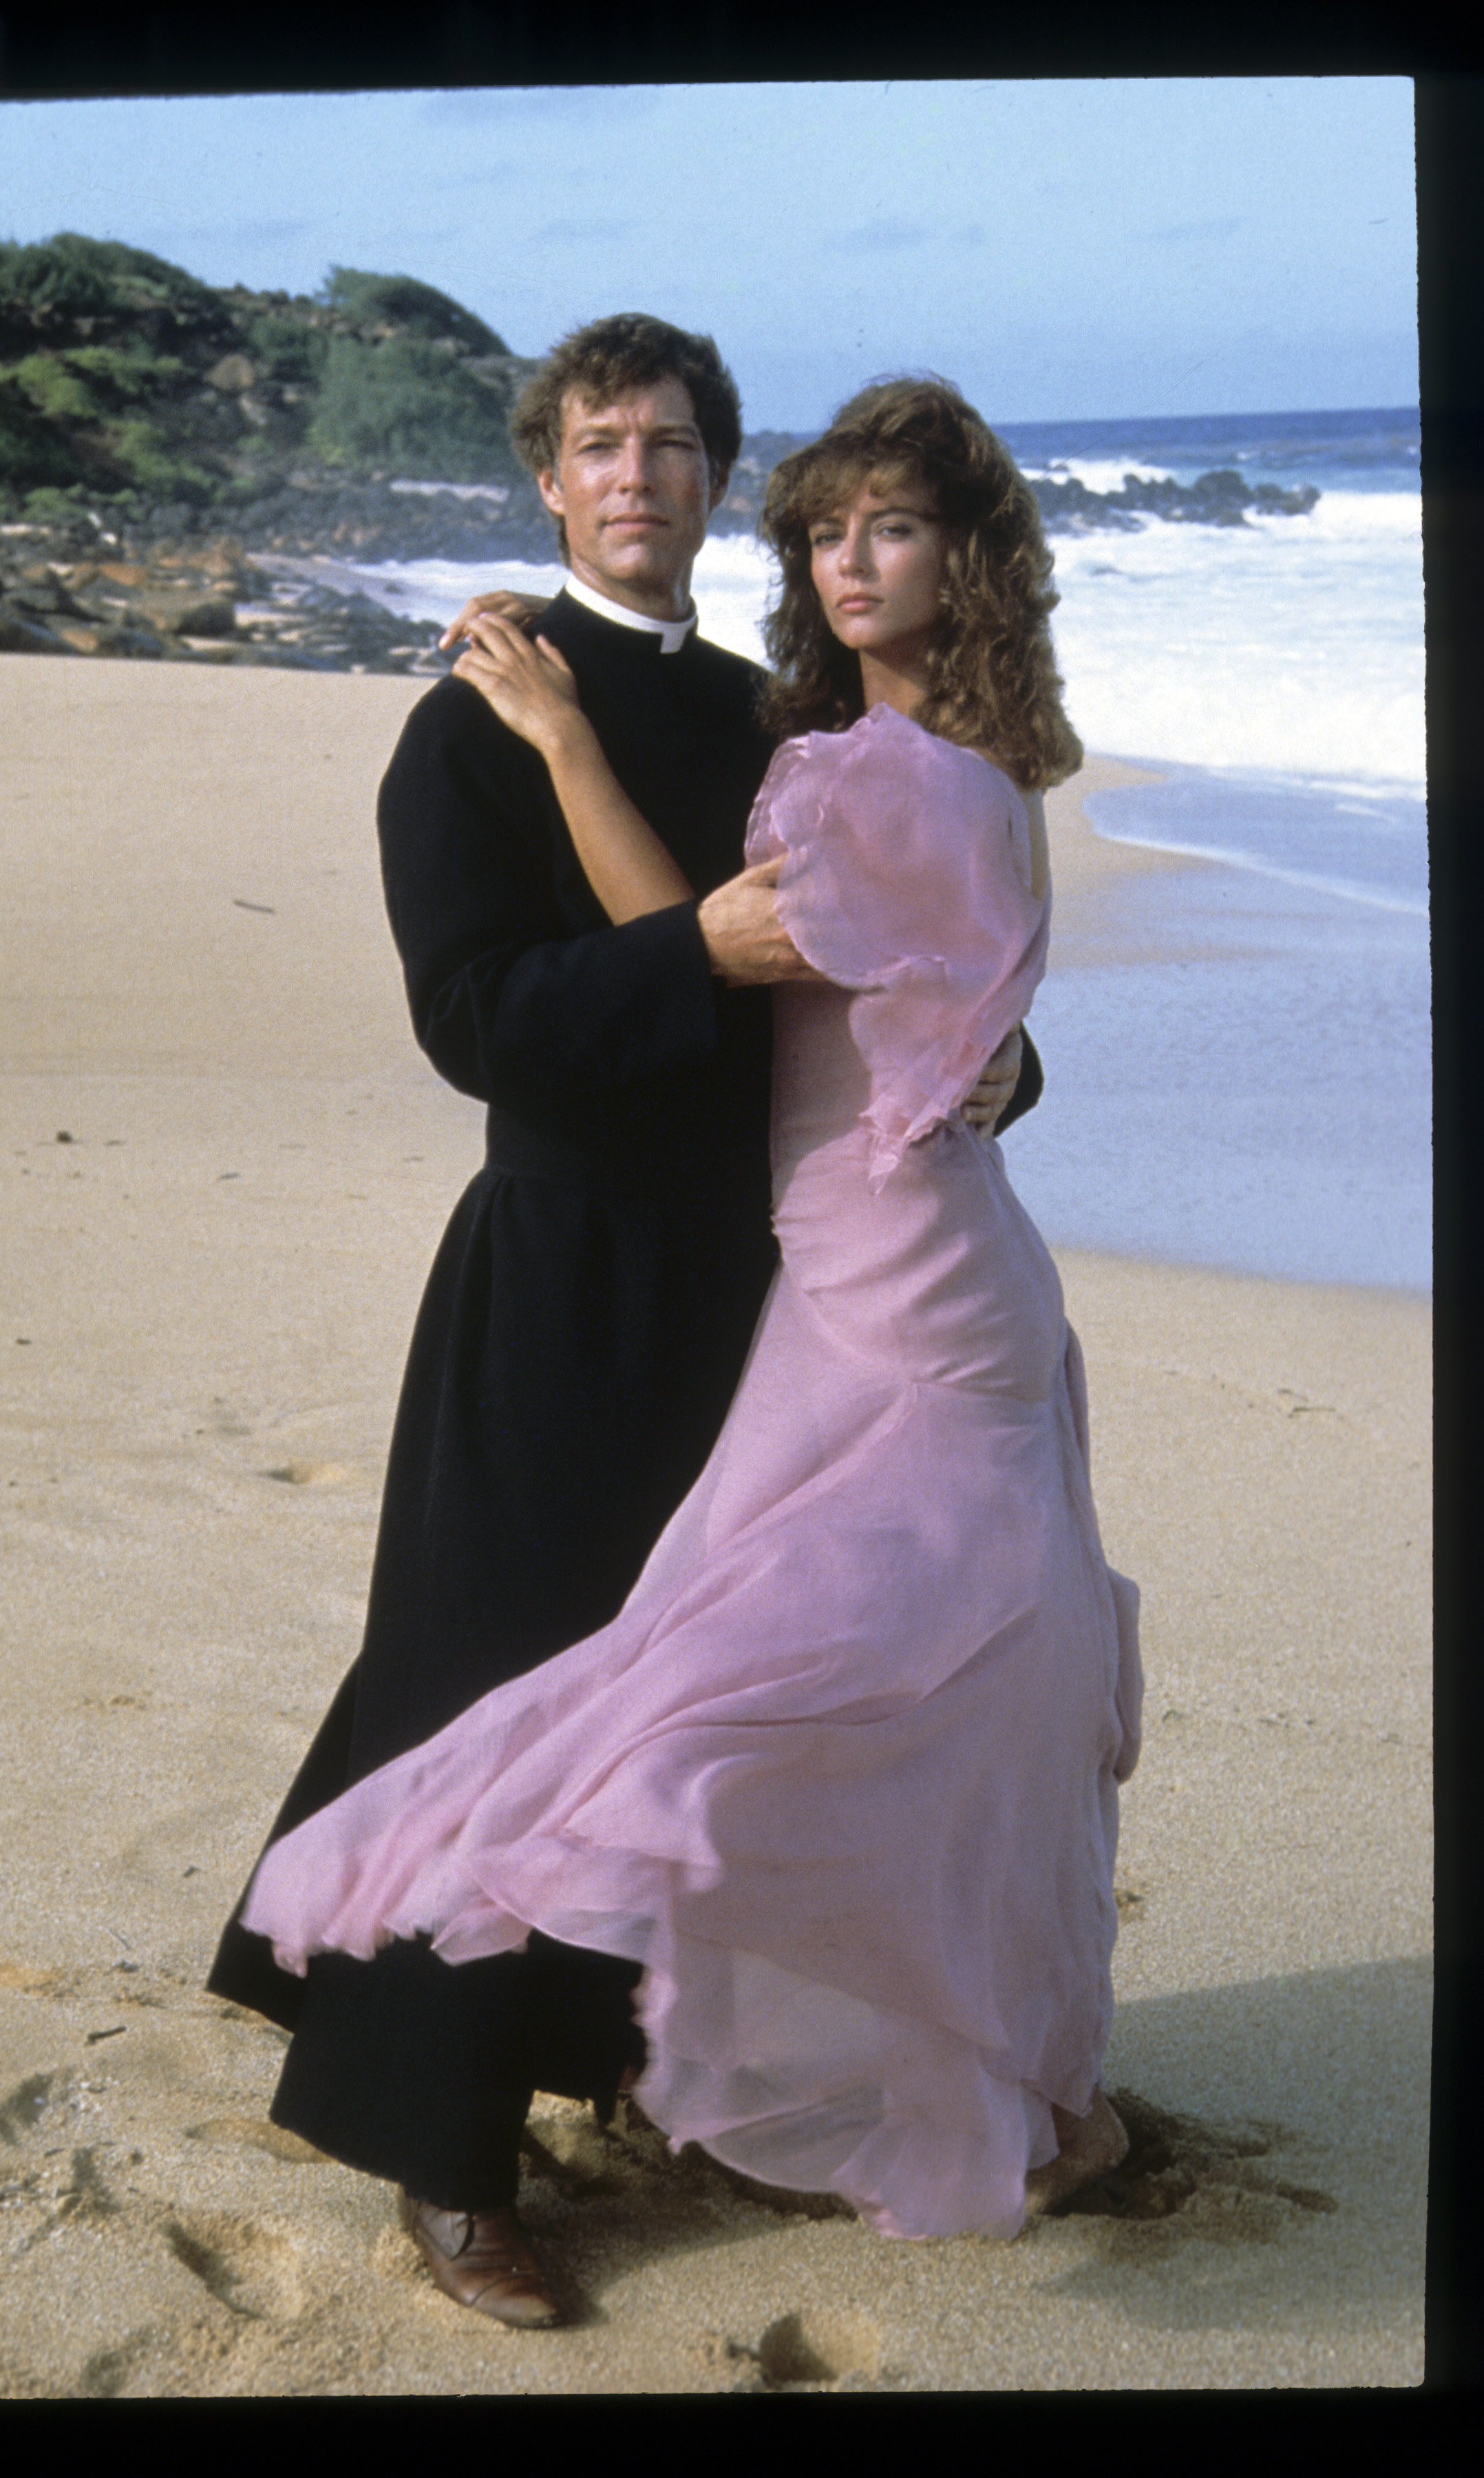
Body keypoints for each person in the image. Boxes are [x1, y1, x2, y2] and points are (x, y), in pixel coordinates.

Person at [239, 374, 1142, 2311]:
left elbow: (890, 970)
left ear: (710, 482)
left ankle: (646, 2066)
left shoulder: (765, 711)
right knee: (495, 1666)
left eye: (668, 447)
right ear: (546, 483)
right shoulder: (470, 720)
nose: (632, 476)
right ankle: (441, 2154)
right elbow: (478, 1022)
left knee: (691, 1687)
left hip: (767, 1283)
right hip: (569, 1267)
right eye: (595, 446)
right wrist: (650, 893)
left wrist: (1002, 1062)